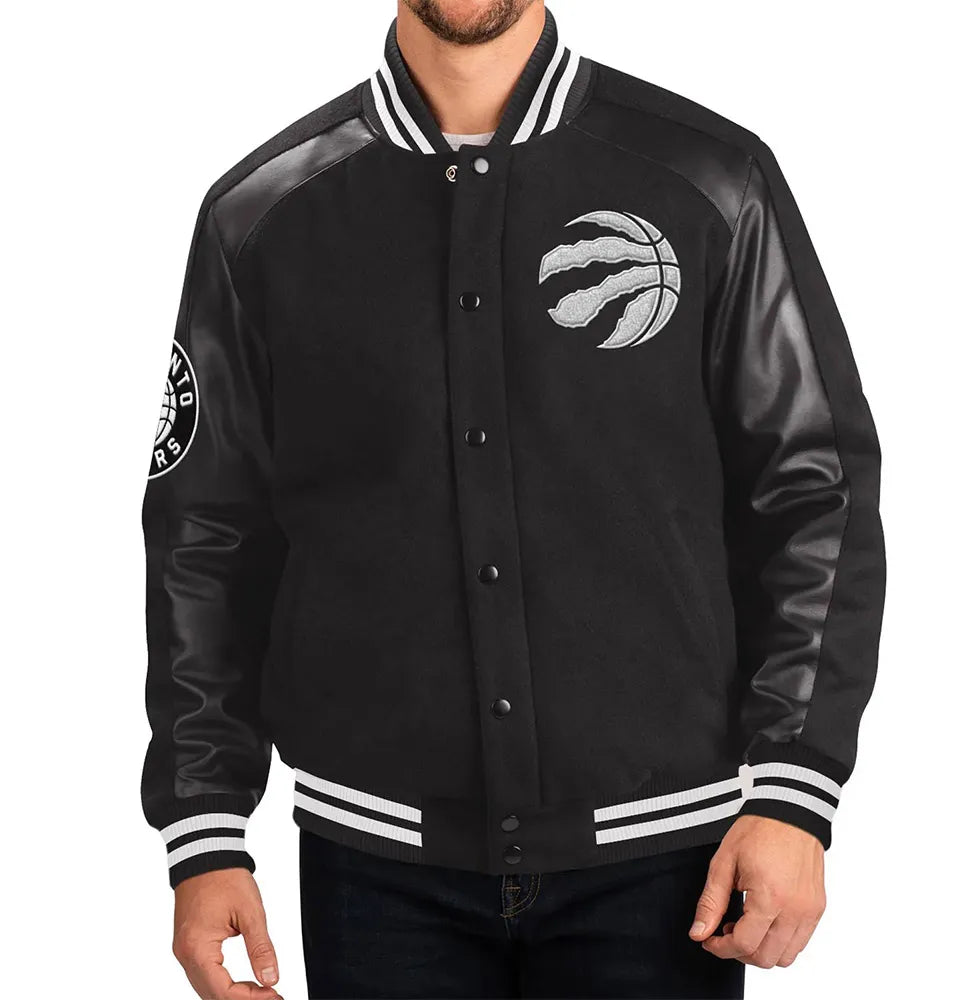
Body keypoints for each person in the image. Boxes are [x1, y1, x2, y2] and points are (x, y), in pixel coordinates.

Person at [141, 1, 886, 997]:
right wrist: (204, 828)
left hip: (667, 867)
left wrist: (793, 788)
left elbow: (812, 489)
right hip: (374, 870)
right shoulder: (262, 215)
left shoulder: (711, 181)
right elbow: (206, 534)